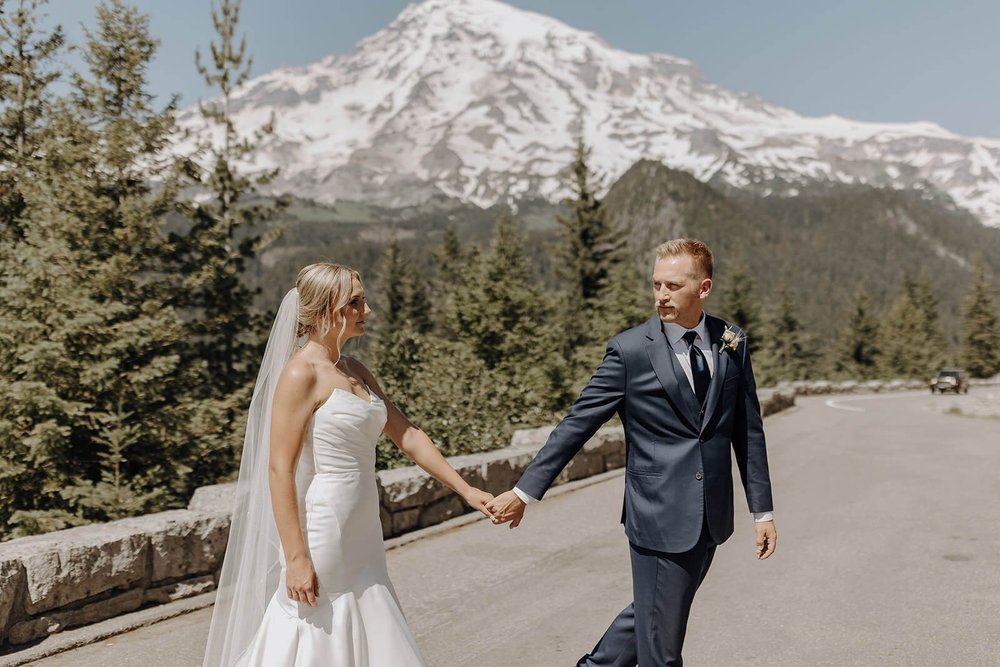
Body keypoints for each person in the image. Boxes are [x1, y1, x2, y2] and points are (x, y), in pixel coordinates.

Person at [487, 239, 776, 667]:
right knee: (663, 650)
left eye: (673, 285)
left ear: (704, 288)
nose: (661, 294)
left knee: (655, 615)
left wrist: (762, 512)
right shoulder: (630, 351)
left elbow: (747, 430)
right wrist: (525, 491)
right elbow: (576, 425)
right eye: (656, 284)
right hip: (657, 514)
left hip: (710, 515)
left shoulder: (731, 340)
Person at [203, 263, 495, 666]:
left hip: (362, 525)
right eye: (355, 302)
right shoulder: (299, 374)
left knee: (369, 608)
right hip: (326, 524)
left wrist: (466, 490)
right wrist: (296, 558)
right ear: (326, 309)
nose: (367, 310)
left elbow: (407, 434)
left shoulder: (355, 370)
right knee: (318, 619)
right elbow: (279, 470)